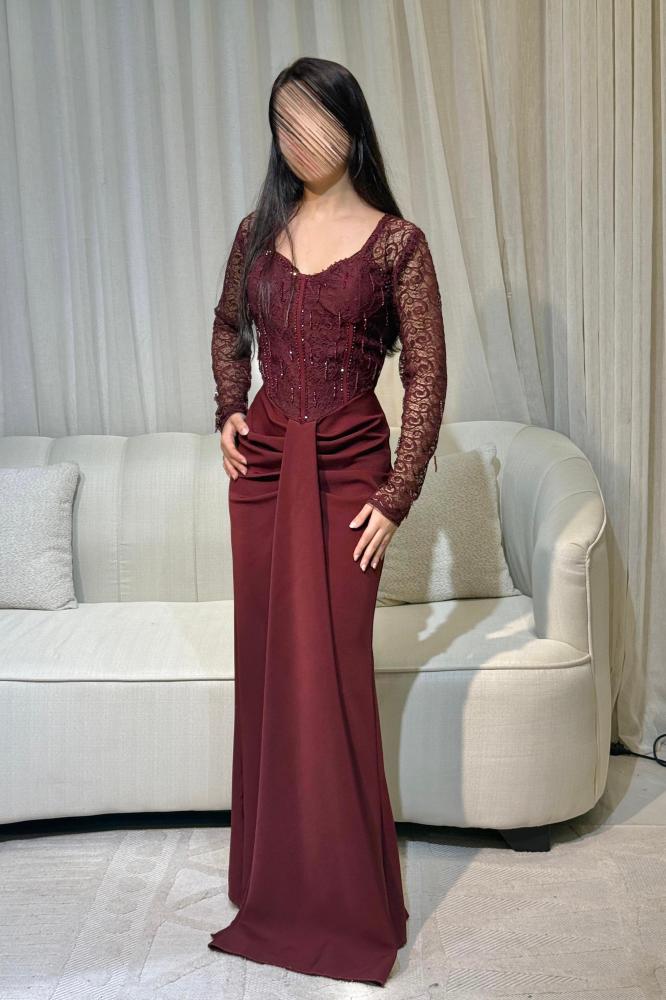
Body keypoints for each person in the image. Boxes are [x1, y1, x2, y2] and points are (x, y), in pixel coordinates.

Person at [208, 56, 447, 986]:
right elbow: (228, 326)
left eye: (314, 118)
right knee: (269, 673)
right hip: (264, 470)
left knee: (337, 677)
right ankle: (268, 884)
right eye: (284, 122)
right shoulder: (256, 233)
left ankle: (346, 901)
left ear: (351, 125)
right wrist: (229, 407)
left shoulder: (398, 245)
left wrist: (396, 494)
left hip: (351, 474)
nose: (299, 137)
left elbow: (425, 374)